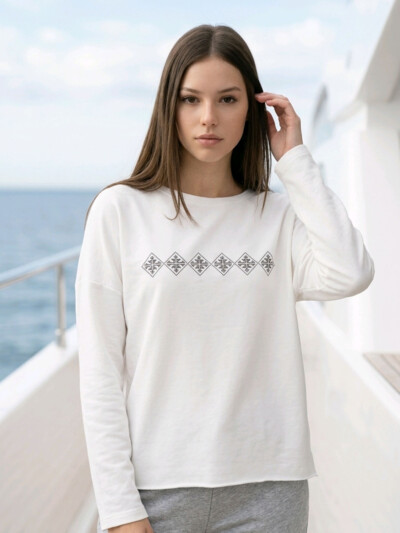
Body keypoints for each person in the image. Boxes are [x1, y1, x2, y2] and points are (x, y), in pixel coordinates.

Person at [74, 24, 375, 533]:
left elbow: (351, 272)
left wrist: (295, 162)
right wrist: (119, 508)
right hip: (156, 489)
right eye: (190, 99)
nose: (208, 117)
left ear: (253, 110)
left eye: (228, 99)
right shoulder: (120, 210)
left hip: (270, 489)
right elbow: (100, 374)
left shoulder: (278, 218)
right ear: (168, 107)